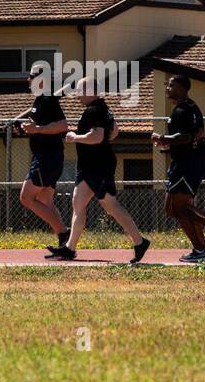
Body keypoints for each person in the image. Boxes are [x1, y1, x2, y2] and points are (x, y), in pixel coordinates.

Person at [48, 77, 151, 264]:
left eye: (80, 90)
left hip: (99, 167)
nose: (77, 95)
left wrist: (74, 137)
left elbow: (97, 137)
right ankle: (69, 248)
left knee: (110, 205)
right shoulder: (104, 109)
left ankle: (140, 242)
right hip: (88, 166)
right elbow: (115, 132)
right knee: (78, 202)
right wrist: (98, 141)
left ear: (90, 90)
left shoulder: (95, 110)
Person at [152, 75, 205, 263]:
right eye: (167, 85)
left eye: (171, 85)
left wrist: (163, 138)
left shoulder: (181, 110)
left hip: (186, 163)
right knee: (172, 209)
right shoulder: (192, 107)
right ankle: (201, 247)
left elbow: (186, 137)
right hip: (189, 160)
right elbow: (197, 133)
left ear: (182, 87)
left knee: (180, 207)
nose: (168, 88)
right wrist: (171, 144)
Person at [14, 71, 70, 254]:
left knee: (26, 198)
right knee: (45, 199)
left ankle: (63, 232)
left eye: (31, 77)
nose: (28, 80)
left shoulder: (48, 99)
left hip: (47, 157)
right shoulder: (39, 101)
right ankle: (64, 241)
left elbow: (63, 125)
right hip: (47, 156)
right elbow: (36, 123)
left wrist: (36, 129)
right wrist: (24, 127)